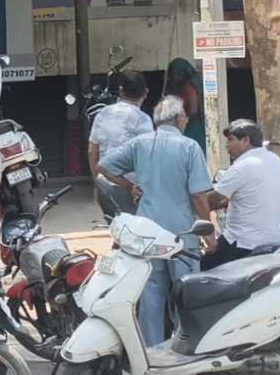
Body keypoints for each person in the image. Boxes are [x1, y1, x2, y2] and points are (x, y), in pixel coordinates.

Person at [96, 95, 214, 346]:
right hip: (182, 236)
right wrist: (209, 233)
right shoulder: (189, 147)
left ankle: (151, 351)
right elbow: (199, 196)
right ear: (180, 119)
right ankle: (187, 346)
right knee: (187, 295)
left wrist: (130, 185)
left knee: (151, 295)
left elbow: (103, 166)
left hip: (147, 235)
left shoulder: (140, 144)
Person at [202, 120, 280, 270]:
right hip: (273, 242)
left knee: (202, 268)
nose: (227, 145)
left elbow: (209, 203)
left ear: (246, 140)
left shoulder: (242, 166)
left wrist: (193, 201)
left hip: (243, 243)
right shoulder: (275, 160)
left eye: (231, 140)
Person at [88, 71, 153, 217]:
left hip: (105, 185)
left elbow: (93, 151)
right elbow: (148, 156)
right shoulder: (143, 120)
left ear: (121, 90)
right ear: (146, 92)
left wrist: (97, 181)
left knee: (116, 228)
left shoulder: (102, 114)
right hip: (132, 189)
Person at [166, 57, 206, 152]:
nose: (173, 76)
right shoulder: (178, 86)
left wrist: (182, 118)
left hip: (192, 125)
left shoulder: (189, 87)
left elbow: (193, 110)